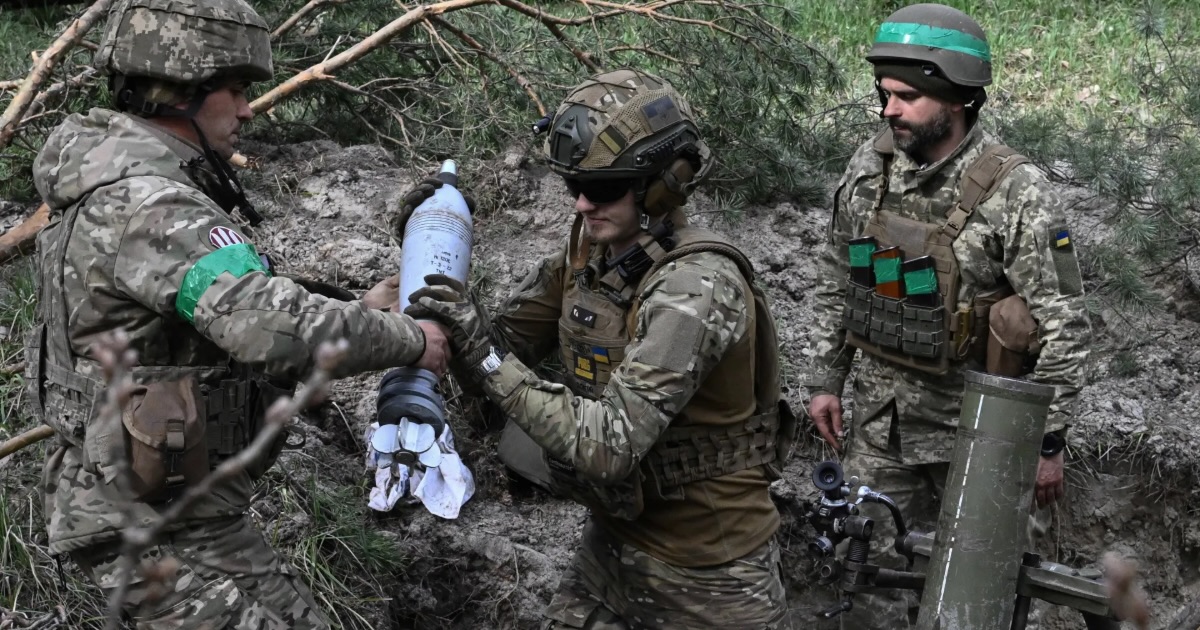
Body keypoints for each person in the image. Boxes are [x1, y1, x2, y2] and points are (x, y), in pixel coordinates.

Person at [27, 0, 449, 627]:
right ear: (180, 91)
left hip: (181, 513)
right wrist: (410, 339)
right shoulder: (152, 207)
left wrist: (354, 309)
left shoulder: (123, 185)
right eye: (236, 90)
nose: (249, 110)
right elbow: (266, 329)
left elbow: (224, 317)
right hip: (143, 529)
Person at [401, 69, 795, 629]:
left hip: (711, 575)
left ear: (662, 184)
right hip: (612, 549)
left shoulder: (696, 288)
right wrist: (423, 254)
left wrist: (485, 353)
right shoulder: (591, 255)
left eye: (603, 188)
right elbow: (500, 347)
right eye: (574, 187)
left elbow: (608, 445)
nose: (583, 205)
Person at [805, 4, 1091, 628]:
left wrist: (1046, 442)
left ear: (958, 98)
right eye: (884, 94)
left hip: (983, 439)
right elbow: (840, 275)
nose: (889, 109)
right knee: (867, 593)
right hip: (882, 427)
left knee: (979, 607)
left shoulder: (1016, 191)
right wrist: (827, 379)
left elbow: (1066, 327)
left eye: (907, 97)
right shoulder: (870, 167)